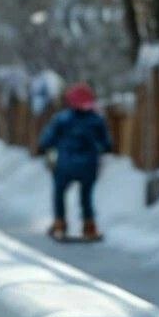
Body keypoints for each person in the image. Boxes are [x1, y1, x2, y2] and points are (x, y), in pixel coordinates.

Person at [38, 82, 114, 241]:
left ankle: (60, 223)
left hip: (65, 164)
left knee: (60, 192)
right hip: (89, 165)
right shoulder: (97, 119)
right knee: (86, 196)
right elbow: (107, 143)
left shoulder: (63, 118)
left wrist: (43, 147)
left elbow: (48, 139)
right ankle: (89, 226)